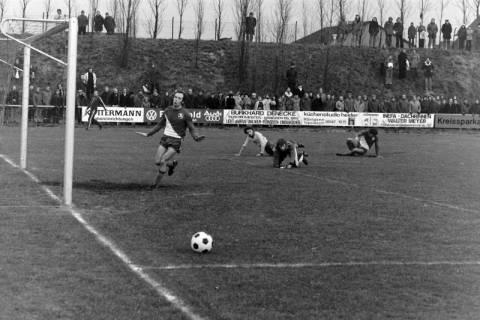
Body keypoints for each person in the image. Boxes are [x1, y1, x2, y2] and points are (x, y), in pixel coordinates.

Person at [144, 91, 205, 188]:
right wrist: (150, 133)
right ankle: (172, 164)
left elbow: (191, 128)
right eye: (175, 97)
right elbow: (160, 124)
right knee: (157, 161)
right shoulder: (167, 110)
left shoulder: (185, 113)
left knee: (163, 160)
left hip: (177, 140)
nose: (176, 99)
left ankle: (155, 185)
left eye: (179, 98)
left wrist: (196, 137)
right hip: (165, 138)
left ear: (182, 101)